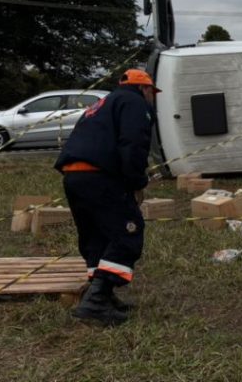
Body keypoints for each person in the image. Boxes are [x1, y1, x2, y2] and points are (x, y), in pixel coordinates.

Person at [54, 68, 159, 326]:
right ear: (144, 88)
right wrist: (137, 182)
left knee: (96, 236)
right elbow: (133, 144)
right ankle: (96, 301)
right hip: (100, 177)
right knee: (128, 231)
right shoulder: (134, 102)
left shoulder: (102, 104)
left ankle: (101, 293)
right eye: (152, 93)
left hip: (74, 176)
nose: (153, 98)